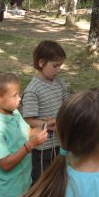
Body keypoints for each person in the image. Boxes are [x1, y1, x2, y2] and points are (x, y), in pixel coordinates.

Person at [20, 40, 70, 184]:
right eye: (55, 66)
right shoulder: (33, 90)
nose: (58, 69)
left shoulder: (59, 83)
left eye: (60, 66)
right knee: (41, 181)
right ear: (41, 63)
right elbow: (29, 119)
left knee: (57, 177)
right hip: (42, 147)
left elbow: (66, 105)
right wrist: (46, 125)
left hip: (59, 142)